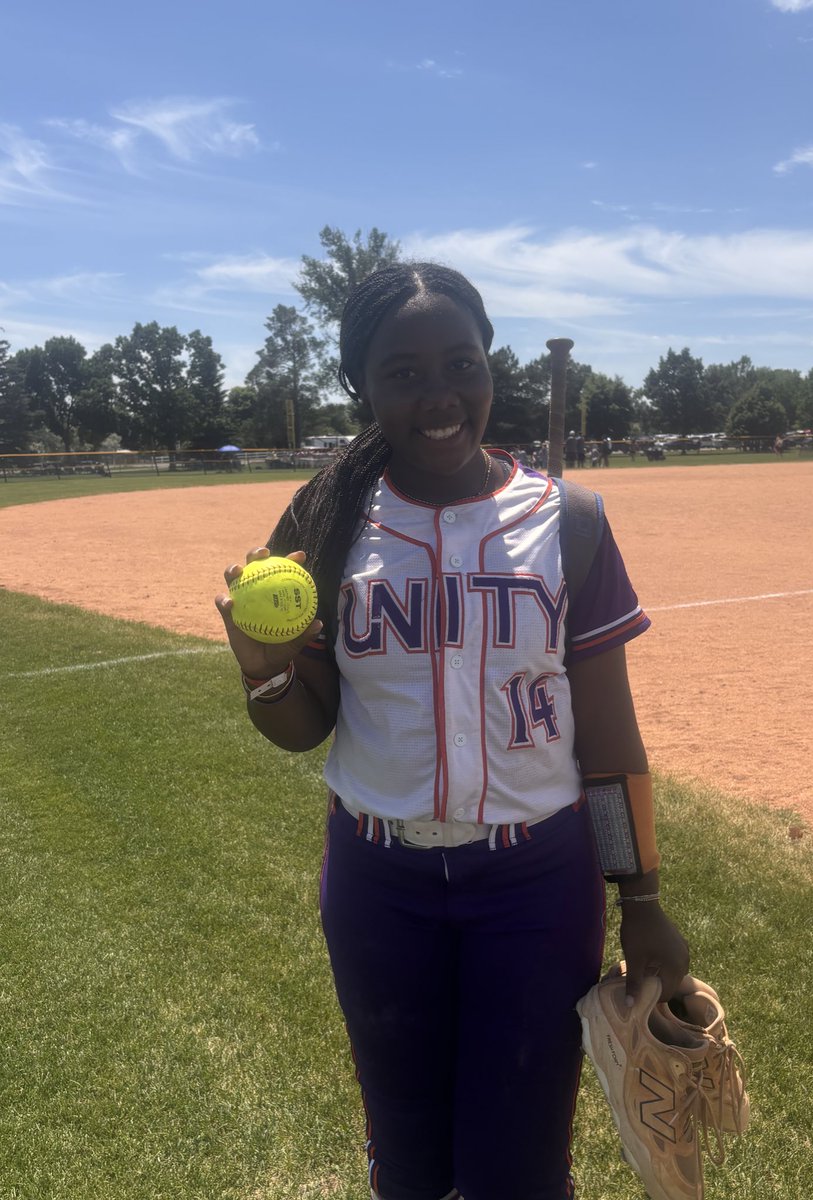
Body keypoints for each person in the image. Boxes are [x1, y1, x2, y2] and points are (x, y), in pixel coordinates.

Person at [215, 262, 688, 1200]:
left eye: (461, 364)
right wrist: (264, 671)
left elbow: (609, 737)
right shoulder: (324, 519)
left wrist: (641, 902)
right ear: (363, 386)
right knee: (407, 1152)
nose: (440, 397)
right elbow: (306, 727)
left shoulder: (570, 522)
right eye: (403, 373)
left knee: (519, 1161)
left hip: (535, 883)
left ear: (491, 366)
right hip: (376, 878)